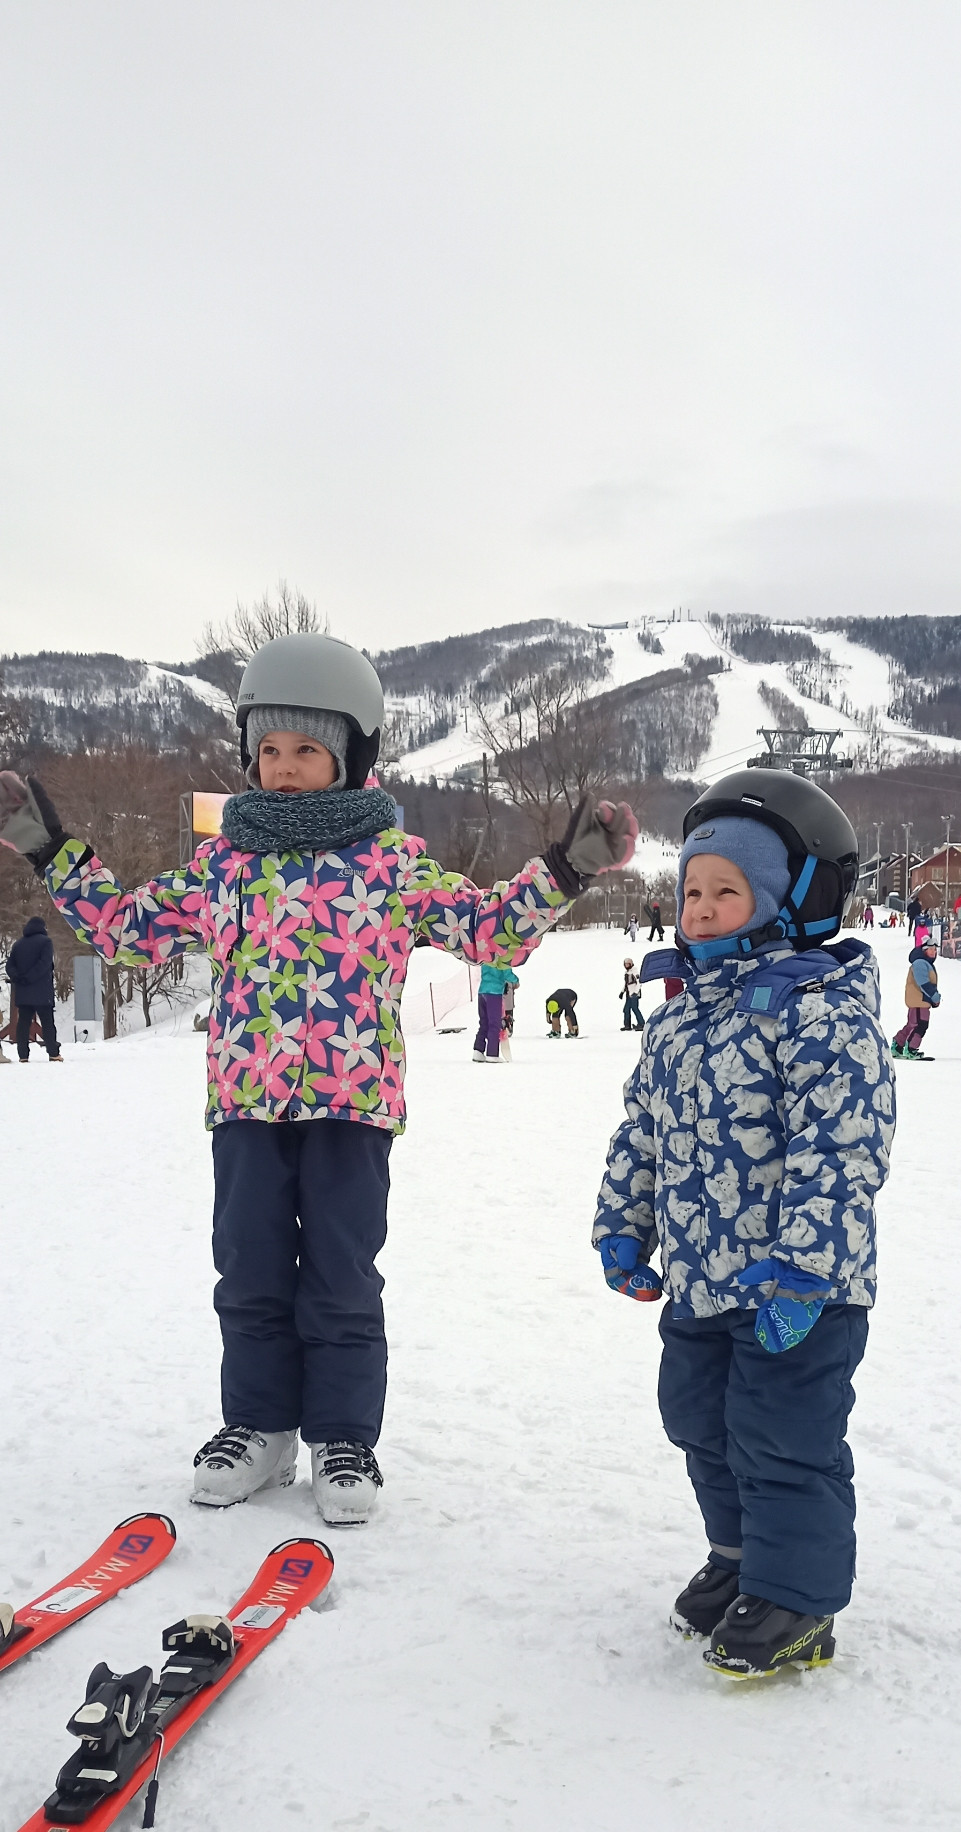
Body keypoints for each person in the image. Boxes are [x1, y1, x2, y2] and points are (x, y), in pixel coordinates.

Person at [0, 633, 636, 1522]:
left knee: (340, 1273)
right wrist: (49, 850)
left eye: (307, 749)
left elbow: (489, 934)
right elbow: (129, 930)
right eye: (269, 750)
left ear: (351, 756)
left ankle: (342, 1437)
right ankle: (259, 1429)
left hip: (352, 1105)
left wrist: (566, 867)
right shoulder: (227, 863)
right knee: (250, 1269)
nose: (286, 767)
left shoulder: (391, 863)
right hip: (248, 1104)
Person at [594, 767, 893, 1680]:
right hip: (699, 1281)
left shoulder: (820, 1013)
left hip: (798, 1292)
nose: (703, 907)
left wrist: (807, 1271)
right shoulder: (680, 1017)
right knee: (699, 1422)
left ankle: (798, 1599)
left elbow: (842, 1152)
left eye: (729, 890)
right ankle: (740, 1560)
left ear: (790, 900)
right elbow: (642, 1127)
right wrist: (622, 1223)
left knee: (783, 1438)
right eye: (692, 889)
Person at [5, 915, 62, 1063]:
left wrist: (18, 977)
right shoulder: (46, 942)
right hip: (42, 991)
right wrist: (30, 977)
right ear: (43, 928)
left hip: (23, 991)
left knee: (23, 1022)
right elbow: (44, 964)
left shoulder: (18, 944)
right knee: (47, 1022)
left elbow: (9, 965)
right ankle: (53, 1053)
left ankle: (23, 1055)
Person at [892, 937, 940, 1060]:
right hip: (920, 1000)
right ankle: (911, 1049)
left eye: (935, 950)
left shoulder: (923, 962)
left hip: (920, 999)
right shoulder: (920, 963)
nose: (934, 952)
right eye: (931, 949)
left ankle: (898, 1045)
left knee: (913, 1024)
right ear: (924, 950)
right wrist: (934, 996)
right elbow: (923, 982)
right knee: (920, 1025)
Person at [473, 955, 513, 1063]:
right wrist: (516, 981)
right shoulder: (503, 956)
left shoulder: (486, 955)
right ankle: (492, 1053)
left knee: (484, 1022)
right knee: (494, 1023)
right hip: (494, 993)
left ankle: (478, 1050)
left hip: (482, 991)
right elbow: (507, 973)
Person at [620, 958, 644, 1031]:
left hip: (634, 994)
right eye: (625, 964)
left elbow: (639, 982)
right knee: (626, 1009)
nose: (626, 966)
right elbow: (626, 984)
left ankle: (641, 1024)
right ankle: (627, 1025)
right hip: (628, 994)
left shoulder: (634, 971)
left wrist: (635, 992)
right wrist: (622, 992)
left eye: (628, 964)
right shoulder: (627, 972)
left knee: (635, 1008)